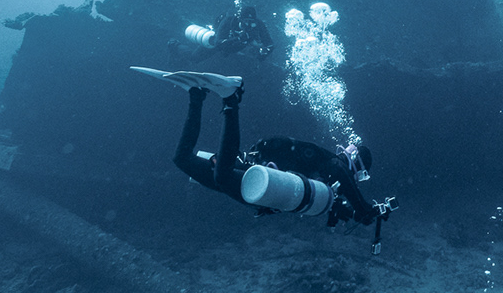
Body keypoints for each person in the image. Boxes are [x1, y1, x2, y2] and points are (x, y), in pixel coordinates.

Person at [137, 68, 383, 231]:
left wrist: (351, 212)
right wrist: (364, 209)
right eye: (360, 174)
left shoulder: (329, 178)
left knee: (182, 159)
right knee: (221, 176)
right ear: (356, 164)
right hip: (259, 176)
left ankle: (196, 97)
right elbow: (338, 169)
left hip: (255, 170)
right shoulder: (334, 165)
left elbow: (335, 202)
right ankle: (231, 99)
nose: (356, 179)